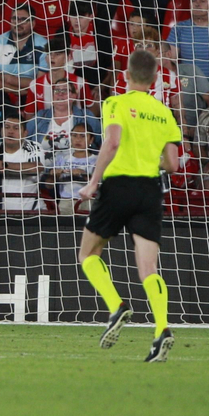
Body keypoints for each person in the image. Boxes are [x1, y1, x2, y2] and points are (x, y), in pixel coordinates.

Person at [77, 49, 181, 361]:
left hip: (119, 185)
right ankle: (161, 328)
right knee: (148, 267)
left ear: (125, 75)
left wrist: (94, 182)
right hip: (150, 190)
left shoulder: (116, 103)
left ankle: (117, 306)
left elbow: (112, 141)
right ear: (155, 79)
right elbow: (173, 164)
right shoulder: (164, 112)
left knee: (88, 252)